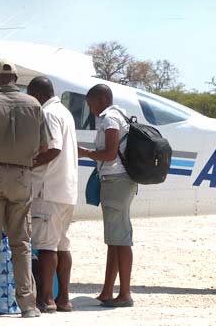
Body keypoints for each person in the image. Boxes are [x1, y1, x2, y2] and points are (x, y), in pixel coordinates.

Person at [0, 59, 49, 318]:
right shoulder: (35, 104)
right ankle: (27, 304)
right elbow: (44, 147)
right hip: (22, 176)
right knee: (21, 243)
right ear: (16, 80)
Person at [77, 84, 137, 308]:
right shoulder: (119, 114)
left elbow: (110, 154)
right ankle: (107, 291)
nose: (90, 108)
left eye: (90, 103)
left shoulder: (109, 119)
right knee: (114, 238)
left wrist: (85, 153)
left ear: (100, 100)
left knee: (120, 238)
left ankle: (125, 294)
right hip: (118, 181)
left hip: (116, 181)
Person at [27, 76, 78, 313]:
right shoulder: (65, 112)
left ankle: (46, 299)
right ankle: (63, 299)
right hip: (66, 191)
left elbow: (54, 147)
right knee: (61, 246)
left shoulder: (48, 114)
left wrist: (31, 163)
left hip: (48, 190)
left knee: (45, 247)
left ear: (37, 94)